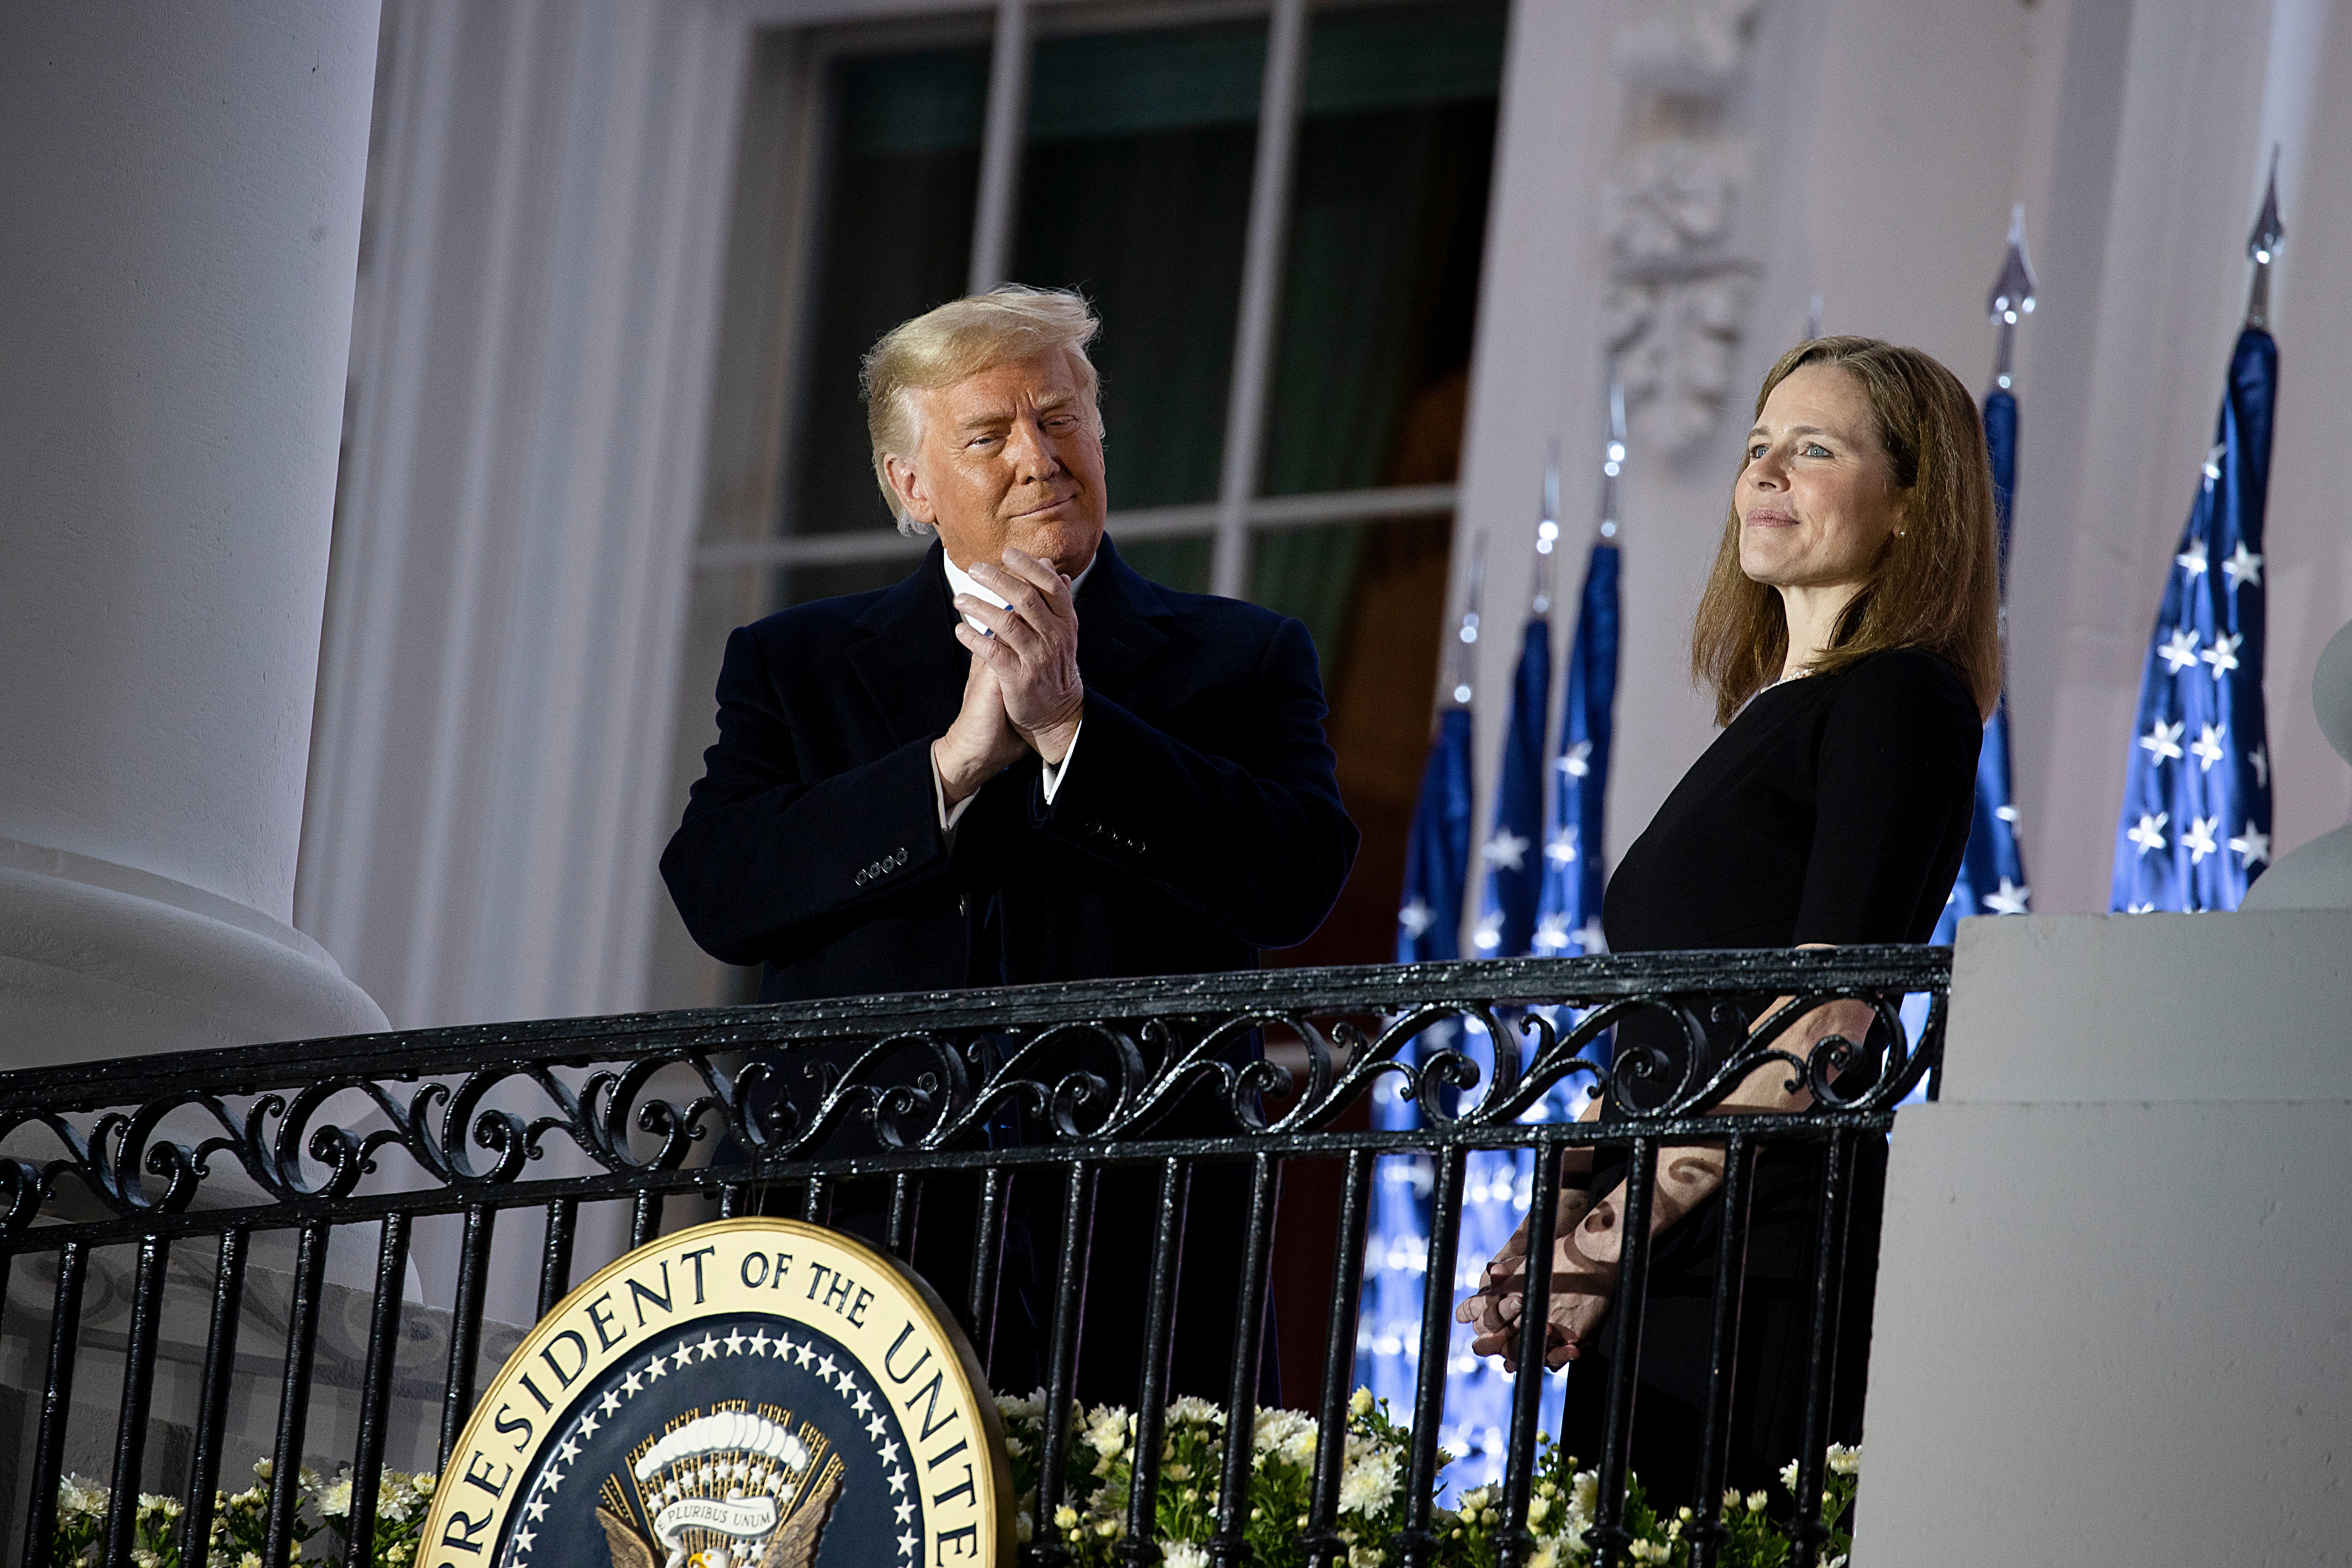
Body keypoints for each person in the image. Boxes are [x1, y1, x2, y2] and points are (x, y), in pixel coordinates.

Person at [661, 285, 1359, 1405]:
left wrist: (1076, 731)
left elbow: (1293, 882)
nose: (1039, 458)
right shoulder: (797, 664)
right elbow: (719, 889)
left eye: (1060, 418)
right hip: (854, 1246)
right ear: (912, 485)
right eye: (989, 435)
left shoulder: (1245, 655)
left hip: (1145, 1248)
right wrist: (949, 768)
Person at [1455, 336, 2000, 1502]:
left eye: (1815, 449)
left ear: (1912, 505)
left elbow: (1826, 1021)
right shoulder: (1776, 714)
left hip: (1759, 1257)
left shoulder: (1901, 696)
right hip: (1665, 1249)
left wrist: (1603, 1247)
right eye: (1759, 447)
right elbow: (1663, 1029)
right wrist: (1550, 1226)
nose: (1765, 473)